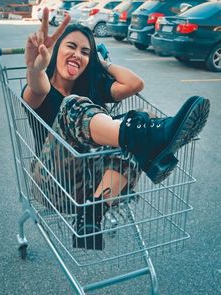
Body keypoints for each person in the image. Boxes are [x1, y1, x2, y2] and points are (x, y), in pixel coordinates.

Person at [22, 8, 210, 250]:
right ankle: (153, 143)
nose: (77, 55)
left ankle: (92, 213)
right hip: (53, 184)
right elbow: (37, 86)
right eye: (70, 46)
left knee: (143, 121)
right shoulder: (42, 92)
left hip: (91, 186)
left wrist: (101, 61)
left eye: (85, 51)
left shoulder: (92, 88)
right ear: (55, 50)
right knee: (83, 110)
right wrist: (35, 68)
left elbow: (135, 84)